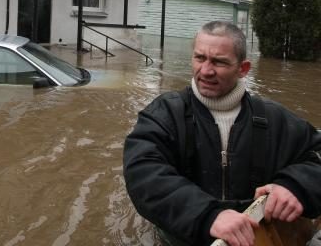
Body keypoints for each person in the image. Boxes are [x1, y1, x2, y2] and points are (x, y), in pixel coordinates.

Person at [123, 21, 321, 246]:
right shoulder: (164, 113)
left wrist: (296, 186)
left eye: (219, 62)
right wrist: (208, 215)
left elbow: (317, 155)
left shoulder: (275, 118)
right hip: (186, 234)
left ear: (243, 69)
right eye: (200, 58)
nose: (205, 71)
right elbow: (143, 173)